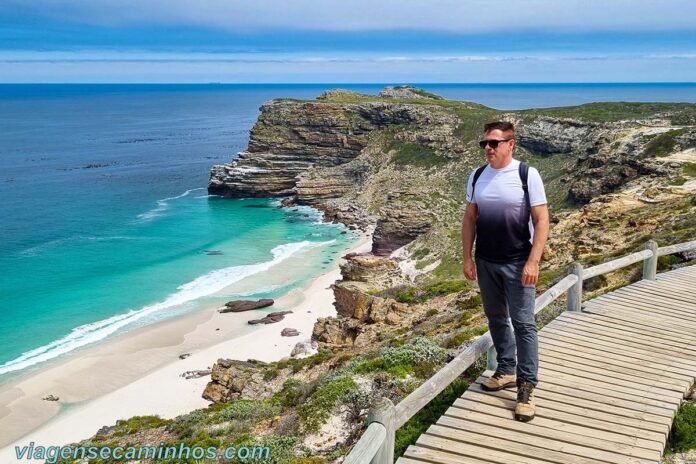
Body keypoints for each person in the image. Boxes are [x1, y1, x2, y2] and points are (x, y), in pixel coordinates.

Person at [461, 121, 549, 422]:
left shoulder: (527, 175)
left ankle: (527, 386)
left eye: (494, 143)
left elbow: (542, 221)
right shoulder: (477, 175)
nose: (488, 148)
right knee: (496, 318)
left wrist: (533, 261)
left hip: (517, 262)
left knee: (524, 324)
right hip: (486, 261)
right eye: (484, 143)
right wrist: (467, 258)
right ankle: (507, 370)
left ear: (511, 144)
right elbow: (470, 218)